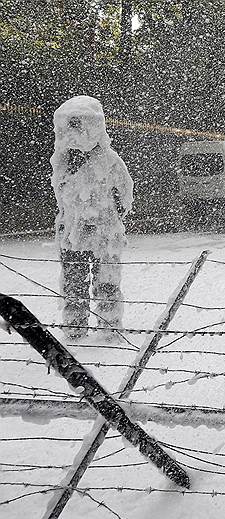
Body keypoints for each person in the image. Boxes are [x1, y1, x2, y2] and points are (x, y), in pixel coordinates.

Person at [51, 96, 133, 340]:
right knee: (73, 285)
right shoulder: (61, 162)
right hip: (72, 236)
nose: (73, 134)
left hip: (104, 236)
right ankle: (75, 328)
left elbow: (124, 194)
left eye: (78, 126)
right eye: (70, 126)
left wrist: (105, 218)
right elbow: (61, 196)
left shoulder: (110, 162)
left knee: (106, 283)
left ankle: (109, 328)